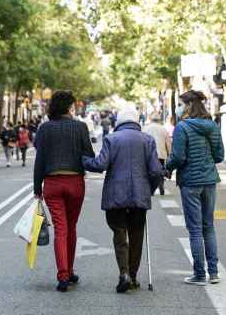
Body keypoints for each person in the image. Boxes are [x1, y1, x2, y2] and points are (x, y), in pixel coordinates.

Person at [83, 105, 162, 293]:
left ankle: (124, 273)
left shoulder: (111, 139)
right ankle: (133, 277)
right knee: (136, 235)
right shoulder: (147, 140)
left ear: (119, 122)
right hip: (139, 196)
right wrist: (148, 190)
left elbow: (100, 164)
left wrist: (83, 160)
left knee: (119, 233)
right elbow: (156, 171)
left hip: (115, 195)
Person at [33, 90, 95, 292]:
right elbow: (89, 155)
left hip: (51, 183)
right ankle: (69, 269)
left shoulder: (44, 129)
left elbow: (40, 160)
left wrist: (37, 188)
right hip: (75, 182)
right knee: (72, 226)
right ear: (70, 107)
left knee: (61, 229)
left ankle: (63, 275)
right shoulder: (80, 127)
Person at [166, 90, 224, 286]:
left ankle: (199, 274)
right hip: (209, 181)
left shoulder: (183, 127)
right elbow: (219, 156)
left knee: (195, 230)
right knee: (209, 226)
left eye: (181, 104)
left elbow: (178, 157)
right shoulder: (213, 126)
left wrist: (167, 167)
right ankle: (214, 273)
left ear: (189, 105)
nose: (178, 108)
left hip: (190, 182)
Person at [144, 113, 171, 195]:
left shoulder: (146, 128)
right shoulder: (163, 129)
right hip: (161, 154)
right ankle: (161, 185)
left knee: (149, 171)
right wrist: (170, 153)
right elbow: (168, 143)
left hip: (149, 154)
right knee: (160, 171)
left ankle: (151, 188)